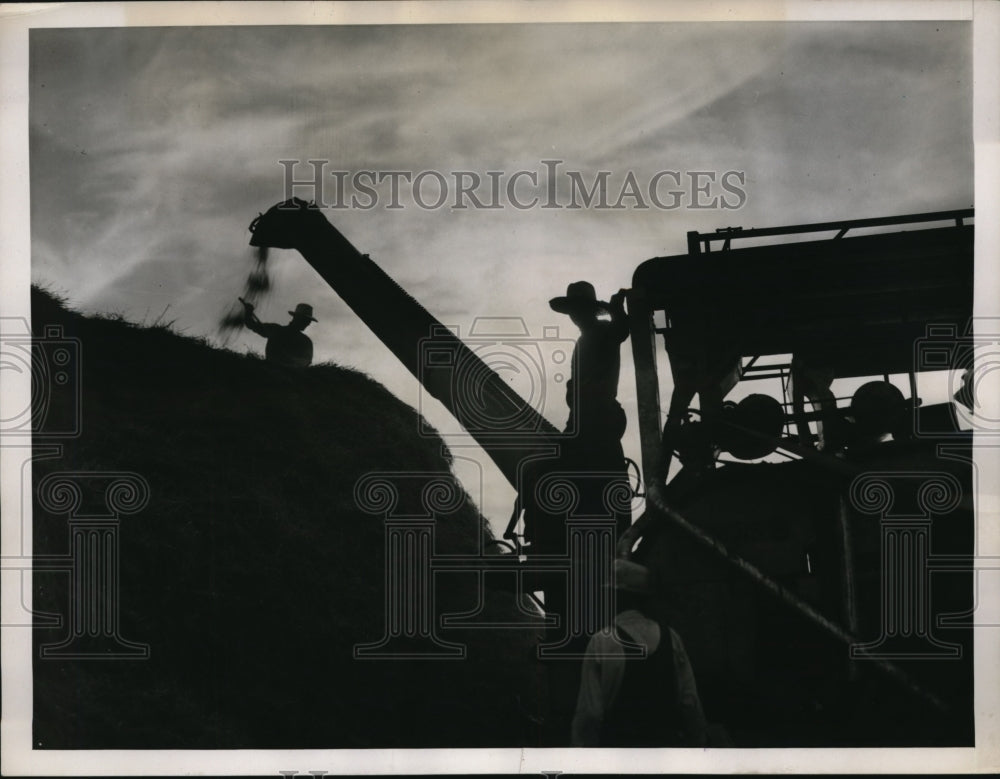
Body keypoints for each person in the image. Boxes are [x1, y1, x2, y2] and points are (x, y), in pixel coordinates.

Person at [571, 558, 709, 748]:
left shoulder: (601, 641)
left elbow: (590, 714)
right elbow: (689, 703)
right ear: (645, 599)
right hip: (664, 755)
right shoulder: (671, 638)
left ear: (613, 598)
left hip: (619, 756)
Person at [242, 299, 316, 368]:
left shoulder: (306, 342)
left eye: (308, 321)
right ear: (296, 318)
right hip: (270, 370)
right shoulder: (275, 330)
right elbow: (252, 324)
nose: (308, 323)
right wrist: (248, 313)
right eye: (305, 320)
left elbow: (306, 361)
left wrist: (288, 359)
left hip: (288, 374)